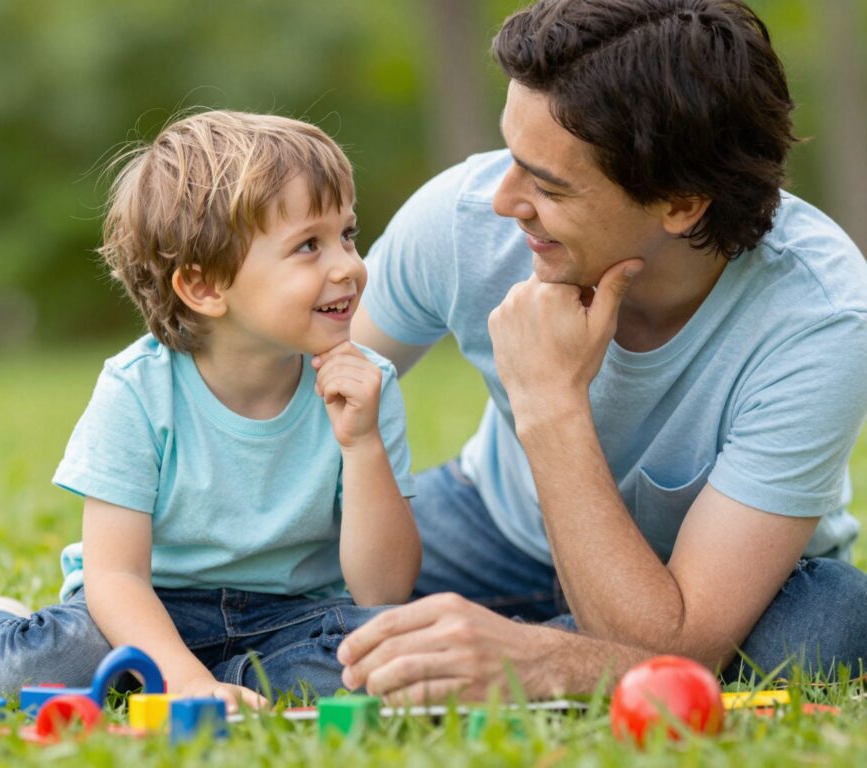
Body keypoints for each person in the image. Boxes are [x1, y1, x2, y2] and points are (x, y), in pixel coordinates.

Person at [343, 0, 867, 703]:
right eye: (510, 155)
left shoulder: (822, 319)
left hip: (721, 583)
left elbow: (672, 641)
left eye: (548, 184)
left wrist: (549, 402)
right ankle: (500, 637)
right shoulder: (463, 219)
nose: (504, 200)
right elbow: (302, 386)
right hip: (493, 526)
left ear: (681, 203)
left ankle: (509, 647)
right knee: (277, 572)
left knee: (824, 630)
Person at [0, 111, 420, 709]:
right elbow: (114, 578)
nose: (348, 265)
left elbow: (383, 590)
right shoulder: (139, 390)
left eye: (347, 234)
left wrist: (362, 444)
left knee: (386, 657)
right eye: (309, 245)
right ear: (204, 287)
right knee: (48, 665)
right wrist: (183, 677)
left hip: (293, 619)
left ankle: (241, 686)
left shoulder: (364, 386)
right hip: (146, 605)